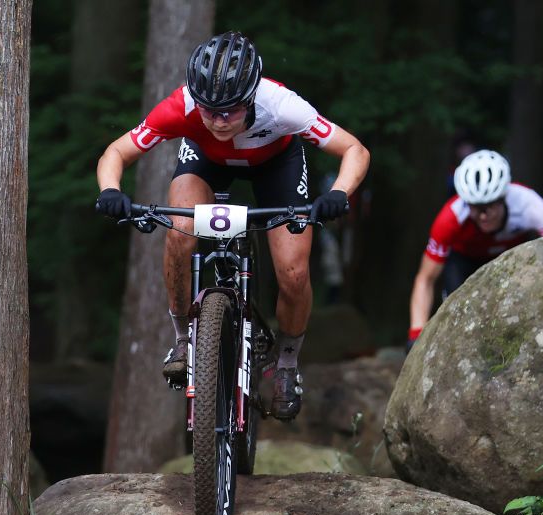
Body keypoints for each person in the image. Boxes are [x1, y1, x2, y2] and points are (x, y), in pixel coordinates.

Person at [96, 31, 370, 421]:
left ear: (251, 98)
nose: (218, 121)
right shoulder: (183, 106)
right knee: (179, 232)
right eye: (209, 110)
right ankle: (183, 340)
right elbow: (117, 152)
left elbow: (355, 149)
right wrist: (110, 190)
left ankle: (287, 364)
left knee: (293, 272)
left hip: (276, 164)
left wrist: (339, 193)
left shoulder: (281, 105)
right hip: (205, 159)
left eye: (229, 111)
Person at [407, 149, 543, 349]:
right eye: (475, 207)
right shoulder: (450, 218)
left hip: (510, 257)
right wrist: (416, 333)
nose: (483, 215)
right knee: (459, 314)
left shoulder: (529, 204)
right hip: (463, 261)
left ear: (503, 197)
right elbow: (425, 279)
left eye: (489, 206)